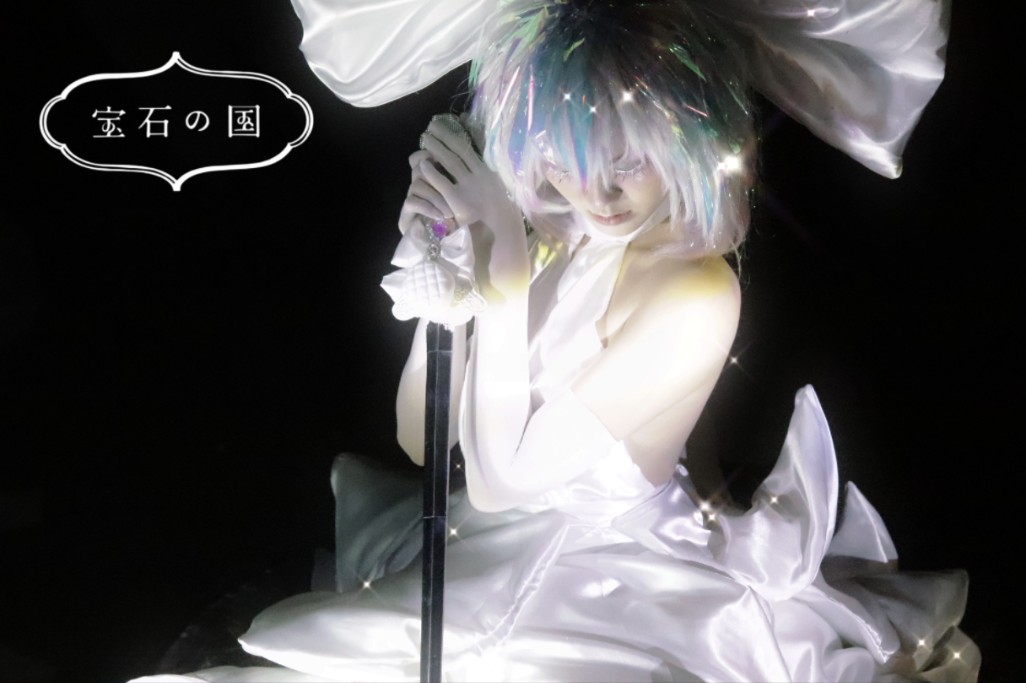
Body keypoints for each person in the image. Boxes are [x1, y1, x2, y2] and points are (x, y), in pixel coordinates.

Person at [132, 0, 978, 681]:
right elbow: (422, 435)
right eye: (564, 161)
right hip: (488, 541)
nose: (594, 193)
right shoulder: (556, 238)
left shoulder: (696, 289)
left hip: (619, 572)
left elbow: (504, 480)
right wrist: (444, 273)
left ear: (689, 138)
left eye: (626, 162)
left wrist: (501, 283)